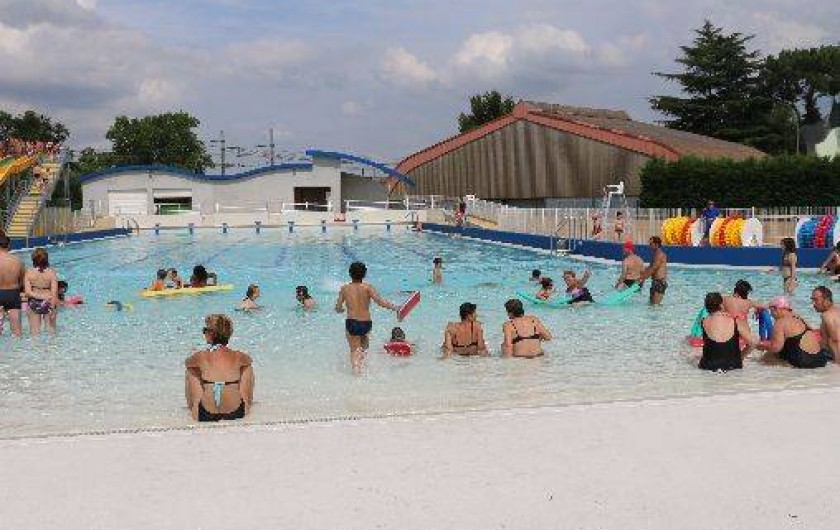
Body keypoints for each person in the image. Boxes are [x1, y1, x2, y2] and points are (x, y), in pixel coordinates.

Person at [184, 314, 255, 422]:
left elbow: (187, 362)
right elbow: (249, 359)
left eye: (205, 330)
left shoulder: (201, 356)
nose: (204, 333)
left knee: (191, 370)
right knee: (247, 367)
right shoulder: (238, 355)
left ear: (211, 334)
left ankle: (194, 408)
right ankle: (247, 405)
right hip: (236, 412)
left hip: (205, 414)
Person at [334, 261, 399, 373]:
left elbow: (338, 307)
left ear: (350, 273)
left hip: (352, 322)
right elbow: (380, 302)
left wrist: (341, 310)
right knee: (364, 348)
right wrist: (396, 308)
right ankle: (363, 370)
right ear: (364, 274)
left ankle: (356, 372)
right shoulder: (368, 287)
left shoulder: (345, 288)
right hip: (366, 323)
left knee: (354, 350)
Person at [757, 296, 832, 368]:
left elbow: (775, 348)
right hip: (820, 359)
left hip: (806, 362)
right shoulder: (798, 317)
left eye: (771, 311)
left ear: (777, 309)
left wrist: (760, 344)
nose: (771, 314)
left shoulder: (780, 322)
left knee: (769, 355)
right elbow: (813, 331)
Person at [698, 292, 755, 372]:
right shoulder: (734, 321)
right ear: (721, 305)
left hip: (709, 366)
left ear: (706, 307)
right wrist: (740, 357)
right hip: (733, 366)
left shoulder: (703, 321)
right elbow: (753, 343)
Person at [23, 247, 59, 334]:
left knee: (35, 332)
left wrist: (40, 296)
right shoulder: (51, 273)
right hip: (49, 300)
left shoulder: (29, 273)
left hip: (34, 301)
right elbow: (54, 293)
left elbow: (27, 292)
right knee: (51, 331)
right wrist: (52, 308)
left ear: (33, 259)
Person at [0, 232, 25, 336]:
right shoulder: (17, 261)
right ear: (9, 245)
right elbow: (22, 281)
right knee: (17, 331)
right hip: (13, 294)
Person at [812, 286, 840, 364]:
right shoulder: (836, 310)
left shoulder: (827, 316)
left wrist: (837, 365)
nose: (813, 304)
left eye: (816, 300)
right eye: (812, 300)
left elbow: (835, 341)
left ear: (826, 300)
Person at [639, 236, 668, 306]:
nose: (649, 246)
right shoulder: (655, 254)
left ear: (656, 244)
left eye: (651, 244)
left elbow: (653, 268)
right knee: (651, 305)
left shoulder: (659, 254)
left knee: (655, 306)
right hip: (655, 282)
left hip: (660, 282)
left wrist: (643, 278)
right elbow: (649, 268)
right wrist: (642, 278)